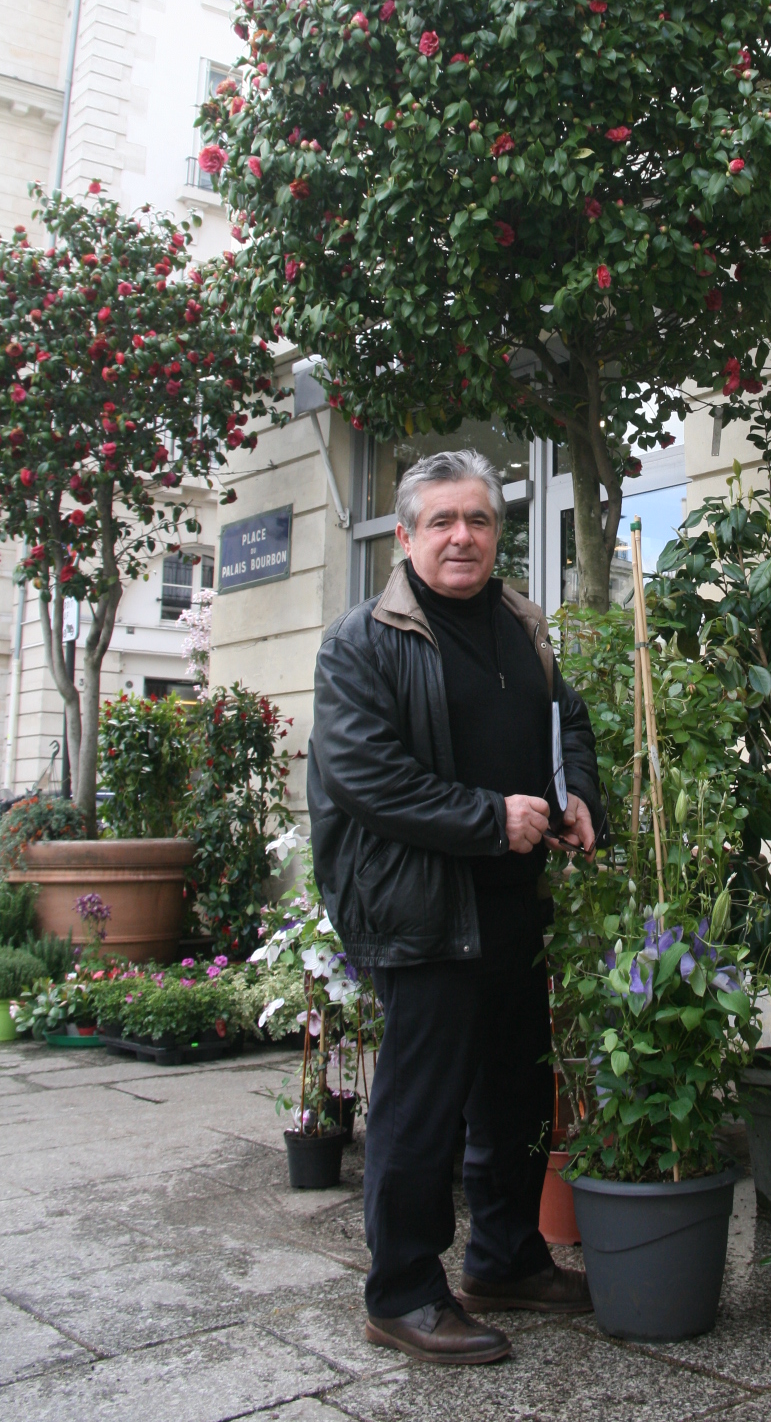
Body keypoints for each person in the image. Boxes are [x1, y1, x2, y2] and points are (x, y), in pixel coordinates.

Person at [308, 448, 606, 1366]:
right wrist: (490, 817)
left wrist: (580, 793)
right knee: (421, 1107)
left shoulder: (519, 622)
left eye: (477, 520)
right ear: (405, 537)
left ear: (497, 532)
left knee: (516, 1088)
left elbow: (571, 722)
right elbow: (365, 776)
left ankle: (507, 1256)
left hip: (512, 900)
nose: (461, 537)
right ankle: (401, 1290)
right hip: (421, 907)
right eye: (440, 522)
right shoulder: (362, 640)